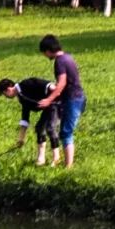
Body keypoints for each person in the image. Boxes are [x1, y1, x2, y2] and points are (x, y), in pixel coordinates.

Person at [36, 35, 85, 168]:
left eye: (44, 53)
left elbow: (62, 83)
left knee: (65, 133)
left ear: (48, 50)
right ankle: (67, 164)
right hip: (76, 97)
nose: (45, 56)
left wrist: (49, 100)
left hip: (73, 99)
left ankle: (68, 167)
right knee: (65, 131)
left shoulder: (59, 61)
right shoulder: (68, 57)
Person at [0, 76, 61, 165]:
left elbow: (44, 84)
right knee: (39, 128)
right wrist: (21, 139)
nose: (6, 97)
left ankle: (56, 158)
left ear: (8, 89)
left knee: (50, 128)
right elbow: (25, 116)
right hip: (49, 107)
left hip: (57, 102)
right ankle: (41, 159)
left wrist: (54, 90)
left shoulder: (26, 83)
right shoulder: (21, 96)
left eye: (4, 94)